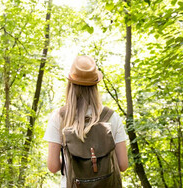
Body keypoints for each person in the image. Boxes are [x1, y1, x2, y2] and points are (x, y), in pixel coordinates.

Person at [43, 55, 128, 187]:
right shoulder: (111, 117)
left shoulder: (59, 117)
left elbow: (53, 167)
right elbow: (123, 164)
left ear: (70, 85)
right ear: (95, 86)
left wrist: (74, 160)